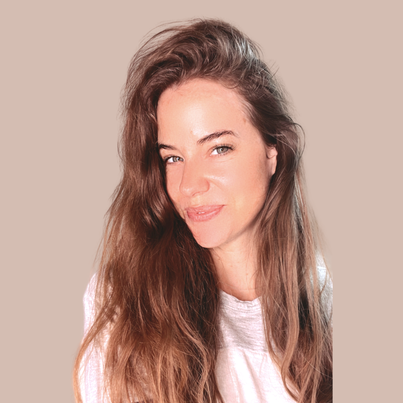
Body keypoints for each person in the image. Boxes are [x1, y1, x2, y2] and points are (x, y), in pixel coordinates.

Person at [73, 18, 333, 403]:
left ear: (272, 152)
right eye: (173, 157)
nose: (189, 185)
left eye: (218, 148)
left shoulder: (327, 299)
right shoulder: (124, 303)